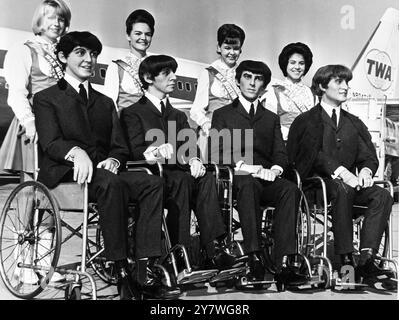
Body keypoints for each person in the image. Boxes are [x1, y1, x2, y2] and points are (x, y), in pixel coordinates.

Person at [33, 31, 180, 300]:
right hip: (66, 175)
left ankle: (144, 267)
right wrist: (76, 152)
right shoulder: (46, 98)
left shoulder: (104, 102)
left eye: (93, 54)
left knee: (151, 183)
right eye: (80, 53)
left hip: (103, 174)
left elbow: (119, 146)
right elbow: (50, 142)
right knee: (111, 183)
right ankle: (120, 268)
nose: (89, 59)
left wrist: (114, 159)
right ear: (63, 57)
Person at [120, 55, 236, 270]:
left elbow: (188, 145)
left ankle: (215, 251)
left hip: (177, 174)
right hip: (151, 175)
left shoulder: (178, 116)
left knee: (206, 178)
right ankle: (180, 254)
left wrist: (194, 159)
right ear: (148, 78)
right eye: (166, 73)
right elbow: (134, 151)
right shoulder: (132, 113)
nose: (173, 77)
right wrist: (154, 151)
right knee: (182, 181)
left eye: (174, 72)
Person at [287, 64, 394, 281]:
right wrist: (341, 171)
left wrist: (365, 171)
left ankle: (366, 259)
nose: (346, 87)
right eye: (339, 82)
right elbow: (309, 155)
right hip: (315, 188)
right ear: (321, 86)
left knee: (382, 194)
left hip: (351, 187)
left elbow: (368, 156)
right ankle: (346, 261)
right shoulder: (306, 121)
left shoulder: (353, 123)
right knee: (342, 187)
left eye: (347, 82)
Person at [210, 60, 308, 286]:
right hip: (238, 177)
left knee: (290, 190)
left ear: (264, 85)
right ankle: (254, 257)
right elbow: (216, 154)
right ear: (237, 80)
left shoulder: (270, 118)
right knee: (247, 184)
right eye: (247, 77)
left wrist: (275, 170)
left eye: (258, 79)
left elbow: (280, 153)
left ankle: (283, 261)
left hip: (266, 177)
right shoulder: (222, 114)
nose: (252, 83)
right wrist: (246, 167)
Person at [0, 0, 71, 175]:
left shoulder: (66, 55)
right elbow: (17, 93)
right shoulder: (23, 50)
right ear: (40, 19)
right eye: (51, 17)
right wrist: (29, 121)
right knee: (31, 186)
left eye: (61, 19)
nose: (56, 23)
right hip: (36, 123)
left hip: (63, 127)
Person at [189, 24, 245, 159]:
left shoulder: (244, 74)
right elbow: (196, 110)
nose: (232, 52)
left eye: (236, 48)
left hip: (238, 135)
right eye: (227, 48)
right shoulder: (208, 73)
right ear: (218, 48)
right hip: (212, 133)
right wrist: (206, 124)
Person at [103, 9, 155, 115]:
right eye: (138, 33)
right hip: (126, 128)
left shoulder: (157, 67)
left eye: (148, 34)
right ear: (128, 35)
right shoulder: (116, 67)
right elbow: (109, 106)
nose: (143, 38)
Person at [260, 42, 315, 140]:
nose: (297, 67)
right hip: (284, 145)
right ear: (285, 64)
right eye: (292, 62)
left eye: (301, 63)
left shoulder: (311, 93)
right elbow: (267, 125)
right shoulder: (273, 91)